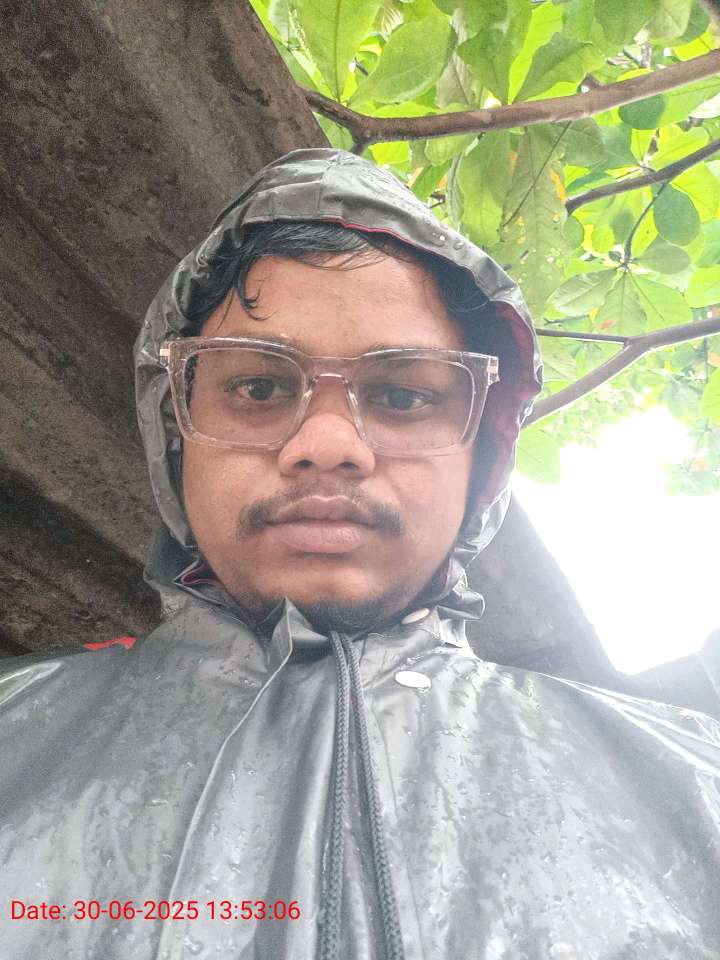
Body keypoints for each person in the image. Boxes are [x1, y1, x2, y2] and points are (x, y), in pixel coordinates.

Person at [1, 148, 719, 960]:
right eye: (259, 387)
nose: (328, 444)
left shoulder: (691, 786)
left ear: (484, 455)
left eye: (403, 395)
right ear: (175, 427)